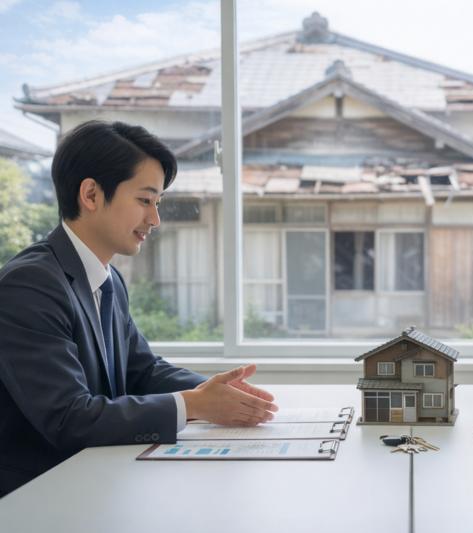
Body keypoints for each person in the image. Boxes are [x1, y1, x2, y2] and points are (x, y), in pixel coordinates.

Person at [0, 120, 278, 496]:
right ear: (91, 194)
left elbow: (142, 370)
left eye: (158, 203)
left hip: (96, 481)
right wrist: (195, 403)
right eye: (145, 201)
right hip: (36, 496)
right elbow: (69, 418)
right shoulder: (29, 285)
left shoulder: (108, 278)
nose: (155, 219)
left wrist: (220, 393)